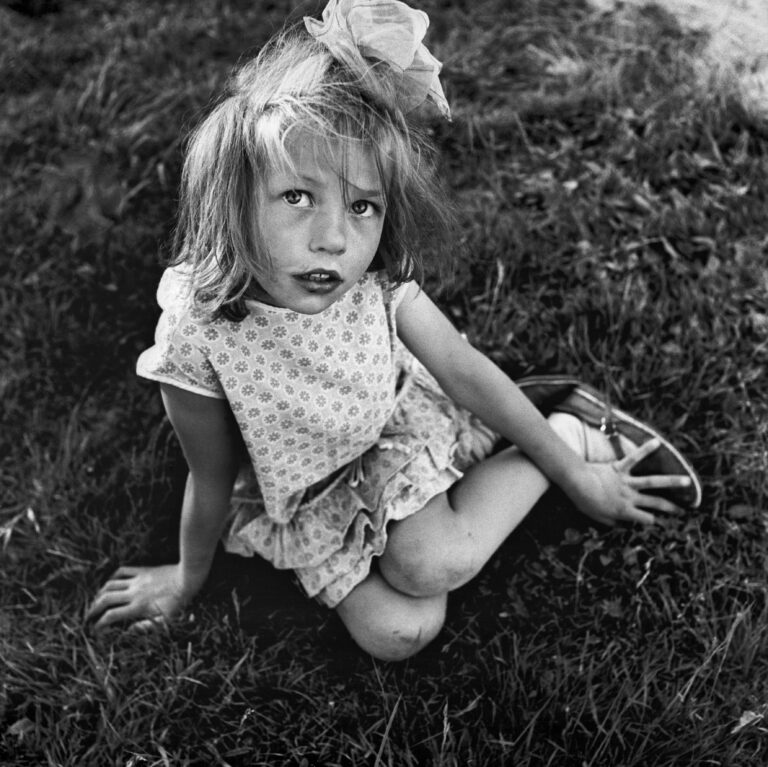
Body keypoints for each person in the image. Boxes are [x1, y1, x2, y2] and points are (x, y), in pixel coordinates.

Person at [87, 0, 701, 661]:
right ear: (234, 200)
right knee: (399, 633)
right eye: (298, 197)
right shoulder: (198, 332)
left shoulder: (375, 282)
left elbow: (465, 371)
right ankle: (452, 498)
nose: (333, 239)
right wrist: (186, 577)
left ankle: (568, 428)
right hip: (300, 489)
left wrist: (579, 476)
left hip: (389, 431)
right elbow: (209, 475)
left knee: (430, 563)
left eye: (363, 205)